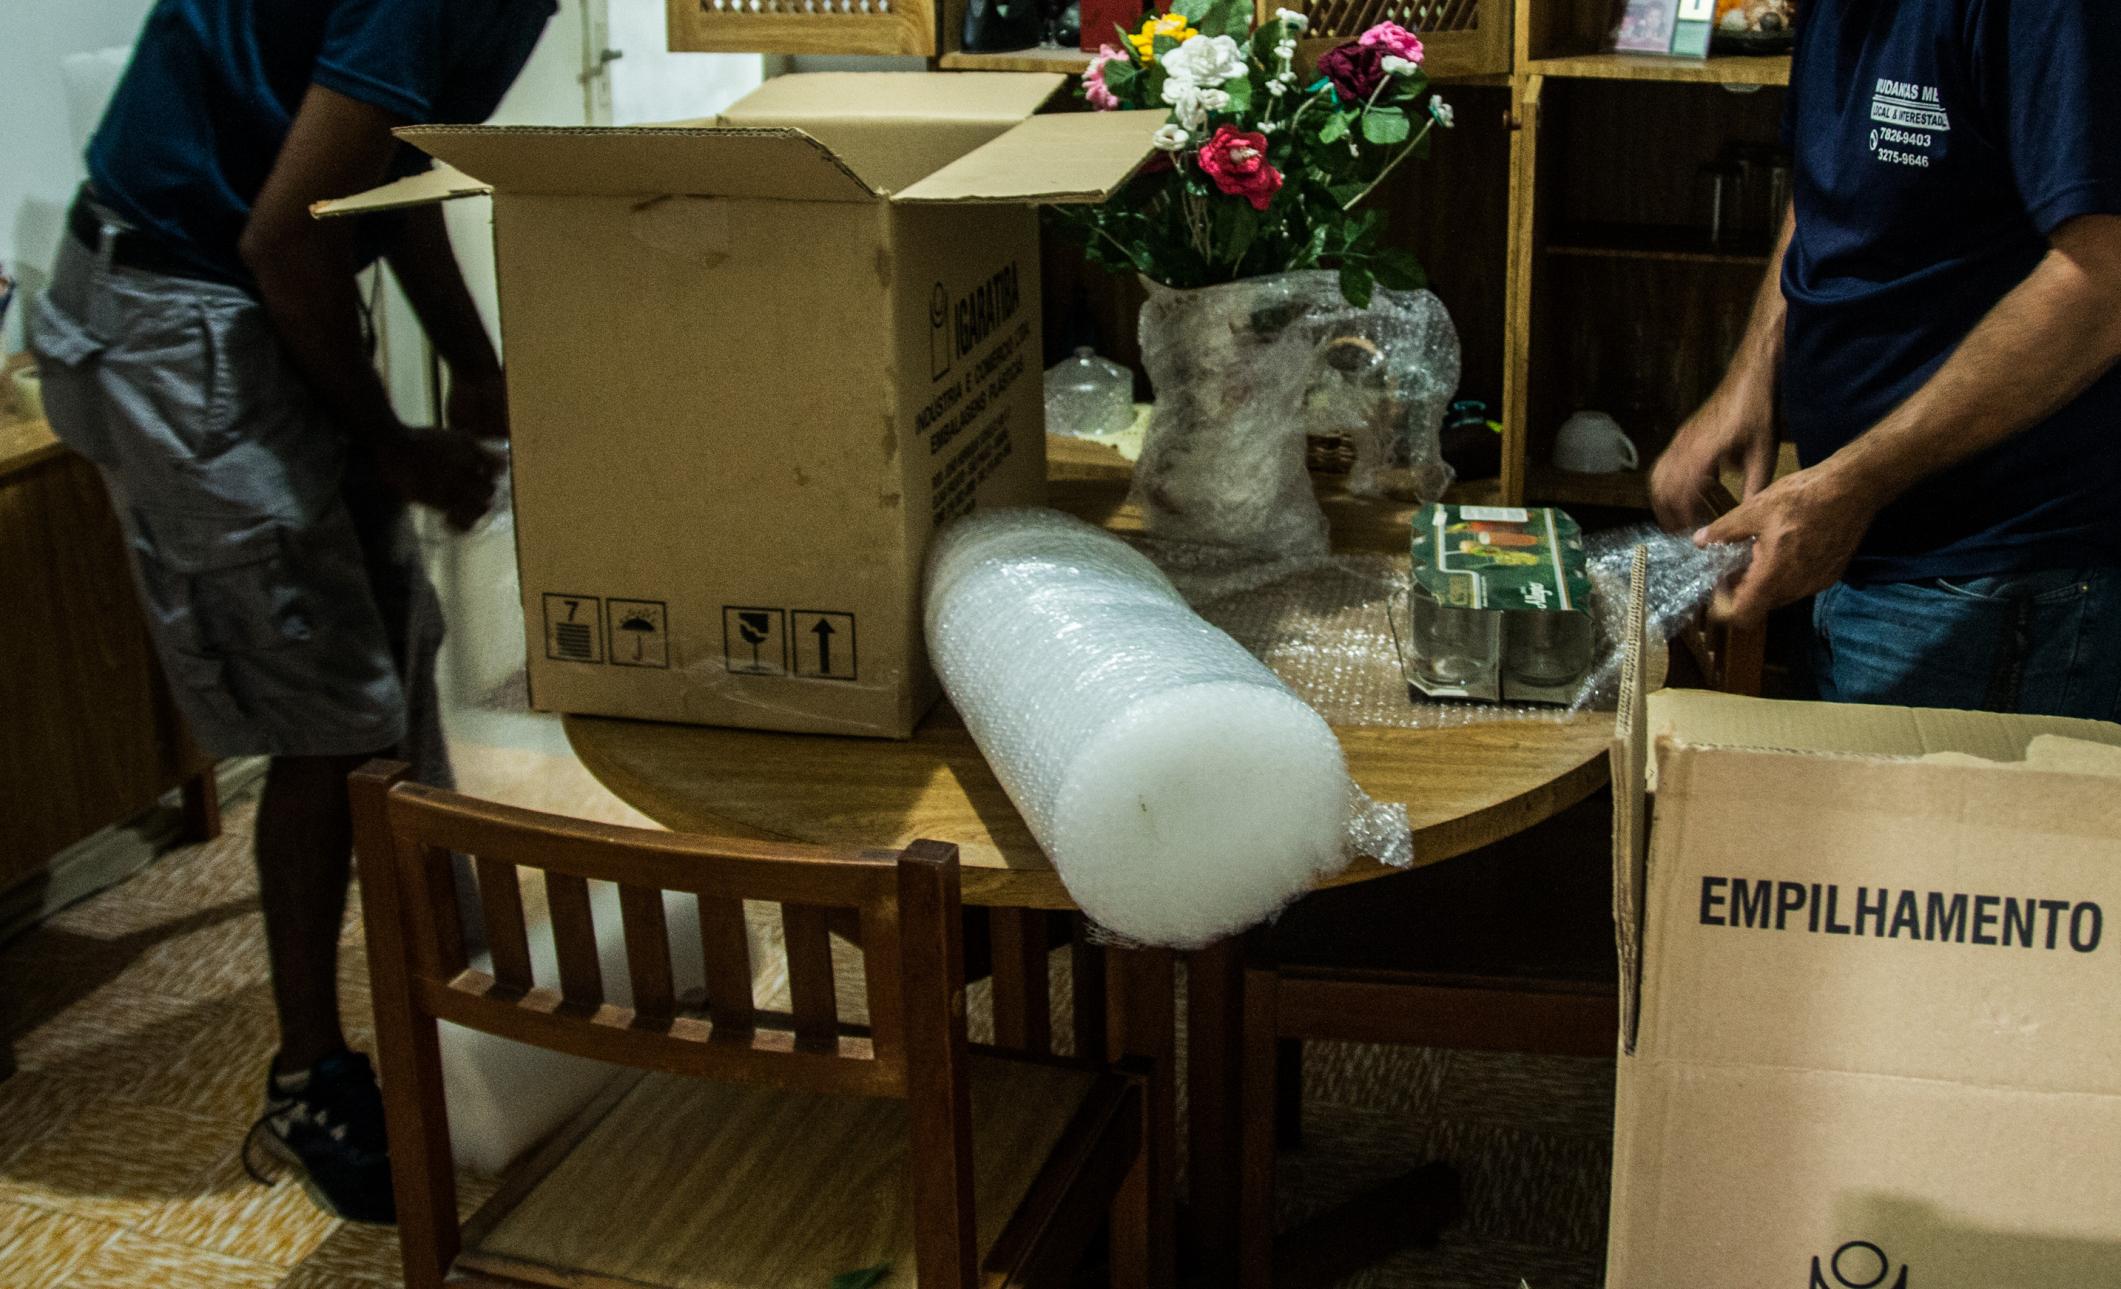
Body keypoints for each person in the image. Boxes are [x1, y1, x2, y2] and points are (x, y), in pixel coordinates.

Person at [30, 0, 558, 1223]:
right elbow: (284, 239)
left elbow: (390, 169)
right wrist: (392, 446)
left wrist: (472, 359)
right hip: (180, 306)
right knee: (330, 715)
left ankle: (456, 991)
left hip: (257, 281)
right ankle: (308, 1080)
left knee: (393, 661)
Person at [1650, 0, 2121, 719]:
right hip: (1857, 545)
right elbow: (1828, 188)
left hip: (1993, 578)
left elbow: (2103, 283)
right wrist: (1750, 375)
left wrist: (1854, 482)